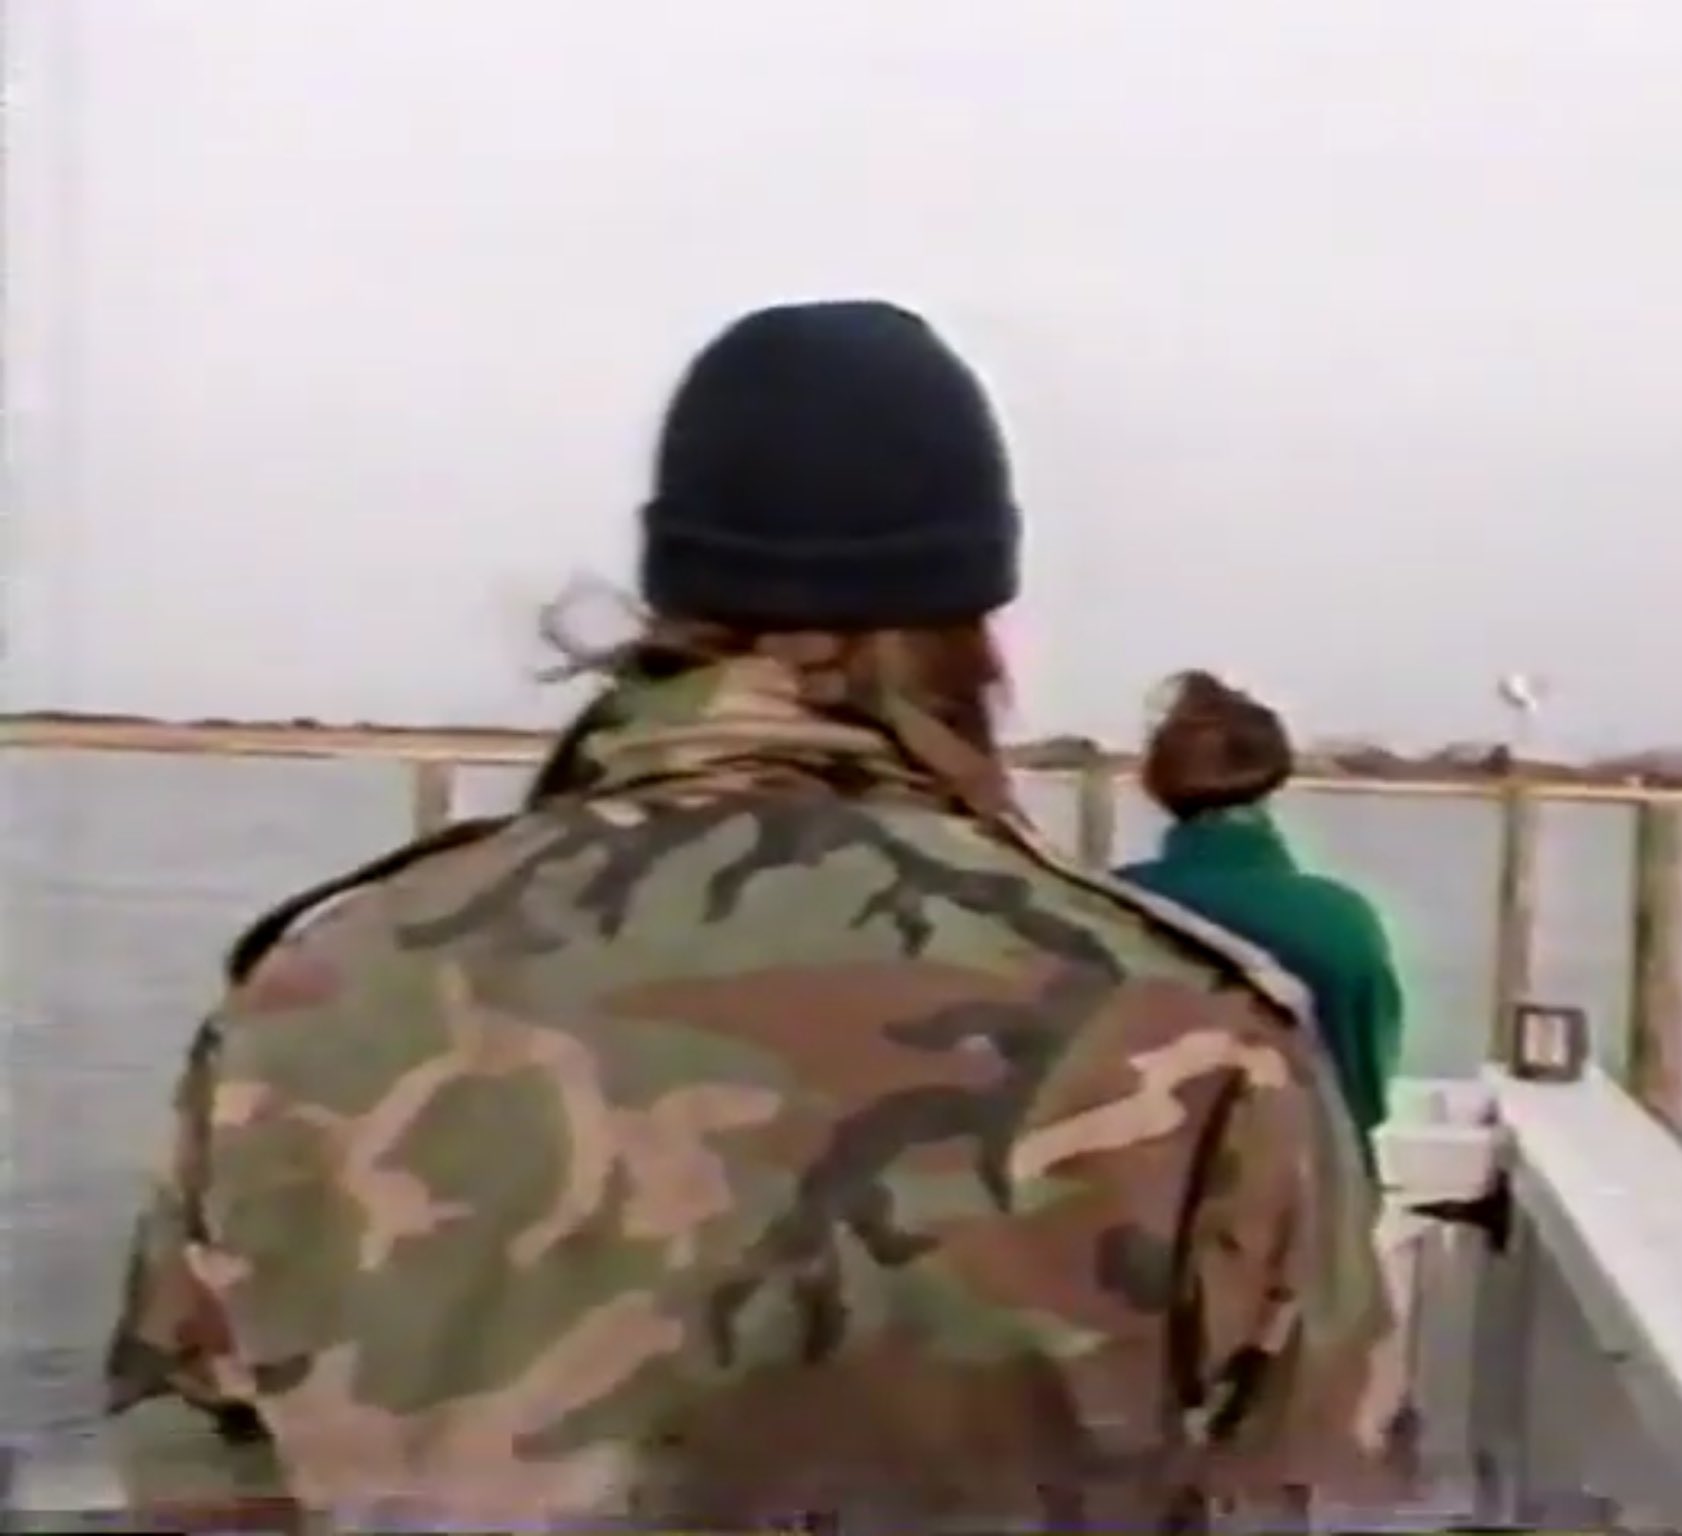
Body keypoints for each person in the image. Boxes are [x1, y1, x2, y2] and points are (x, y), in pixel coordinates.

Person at [102, 300, 1390, 1532]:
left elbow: (192, 1452)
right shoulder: (1193, 1036)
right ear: (980, 640)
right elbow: (1319, 1482)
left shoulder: (315, 993)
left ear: (667, 609)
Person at [1116, 672, 1408, 1175]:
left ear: (1153, 782)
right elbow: (1363, 1100)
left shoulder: (1103, 905)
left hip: (1128, 1200)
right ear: (1276, 775)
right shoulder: (1340, 922)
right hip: (1303, 1199)